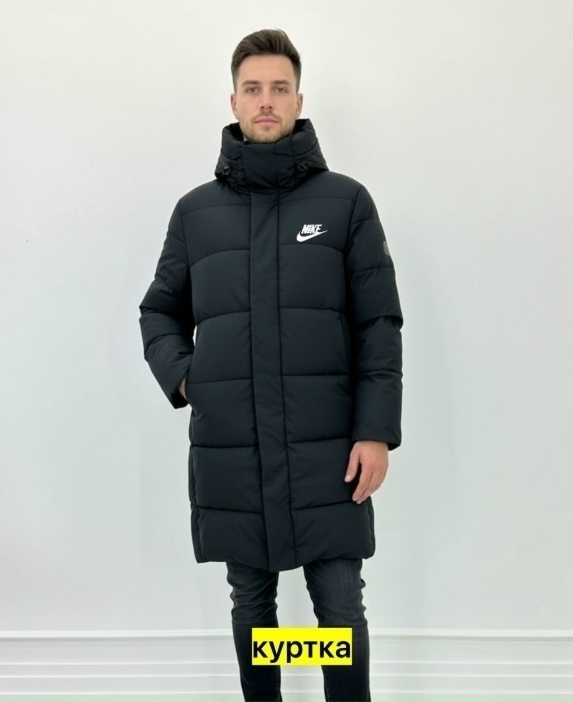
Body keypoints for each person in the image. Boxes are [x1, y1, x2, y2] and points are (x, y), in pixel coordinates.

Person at [138, 28, 403, 702]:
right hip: (235, 449)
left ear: (298, 100)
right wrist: (188, 377)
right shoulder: (196, 213)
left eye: (279, 88)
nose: (265, 100)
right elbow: (159, 311)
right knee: (253, 607)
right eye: (252, 88)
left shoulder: (345, 203)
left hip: (329, 452)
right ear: (233, 101)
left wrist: (376, 432)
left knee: (338, 607)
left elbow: (377, 325)